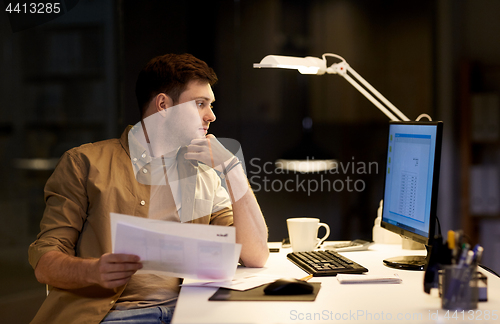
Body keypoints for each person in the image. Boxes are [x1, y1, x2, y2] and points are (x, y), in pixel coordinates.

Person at [28, 53, 269, 324]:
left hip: (191, 311)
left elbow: (255, 254)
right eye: (200, 103)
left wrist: (232, 169)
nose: (211, 116)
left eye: (210, 105)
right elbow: (46, 262)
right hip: (117, 315)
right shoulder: (84, 163)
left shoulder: (205, 174)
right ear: (164, 105)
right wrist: (94, 271)